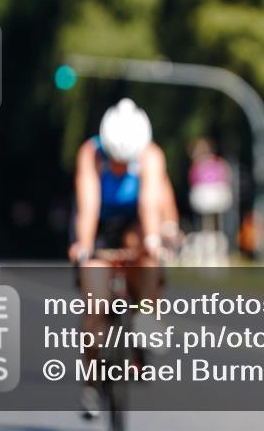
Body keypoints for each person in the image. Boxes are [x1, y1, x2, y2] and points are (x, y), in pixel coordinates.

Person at [68, 98, 180, 419]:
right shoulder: (90, 153)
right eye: (115, 160)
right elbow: (88, 206)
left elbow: (149, 204)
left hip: (134, 222)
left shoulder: (151, 155)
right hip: (99, 224)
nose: (119, 166)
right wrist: (84, 246)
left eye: (125, 161)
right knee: (94, 303)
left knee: (148, 255)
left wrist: (153, 241)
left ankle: (146, 314)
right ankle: (91, 384)